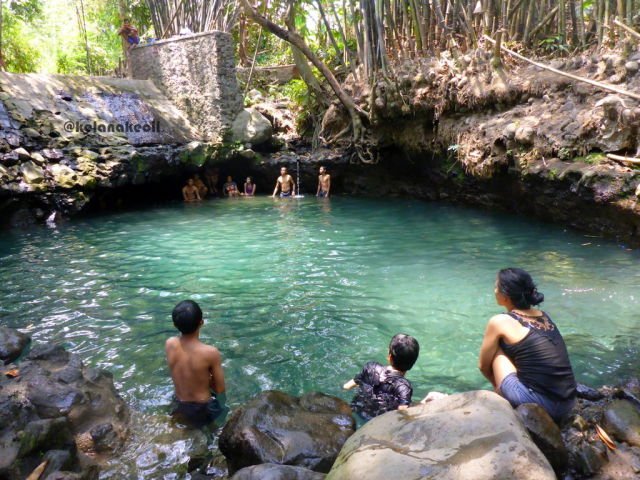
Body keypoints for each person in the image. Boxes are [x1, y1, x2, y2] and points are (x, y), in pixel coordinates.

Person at [479, 268, 577, 423]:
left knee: (496, 350)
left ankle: (502, 396)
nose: (494, 290)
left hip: (544, 407)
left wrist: (499, 387)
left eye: (497, 286)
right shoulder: (543, 315)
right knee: (517, 348)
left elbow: (483, 366)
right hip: (568, 403)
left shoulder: (499, 321)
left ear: (506, 296)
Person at [166, 300, 227, 428]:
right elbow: (220, 389)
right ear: (201, 322)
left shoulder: (170, 344)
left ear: (174, 325)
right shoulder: (210, 353)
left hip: (178, 404)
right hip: (203, 409)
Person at [343, 334, 419, 421]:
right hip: (377, 420)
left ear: (389, 357)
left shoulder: (371, 368)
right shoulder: (404, 387)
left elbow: (346, 386)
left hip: (357, 409)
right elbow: (402, 414)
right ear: (413, 364)